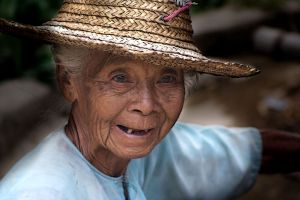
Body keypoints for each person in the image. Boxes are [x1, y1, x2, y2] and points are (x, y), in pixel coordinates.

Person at [0, 0, 299, 199]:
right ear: (68, 81)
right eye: (119, 77)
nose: (146, 104)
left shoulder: (126, 150)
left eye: (167, 78)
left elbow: (234, 151)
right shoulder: (41, 192)